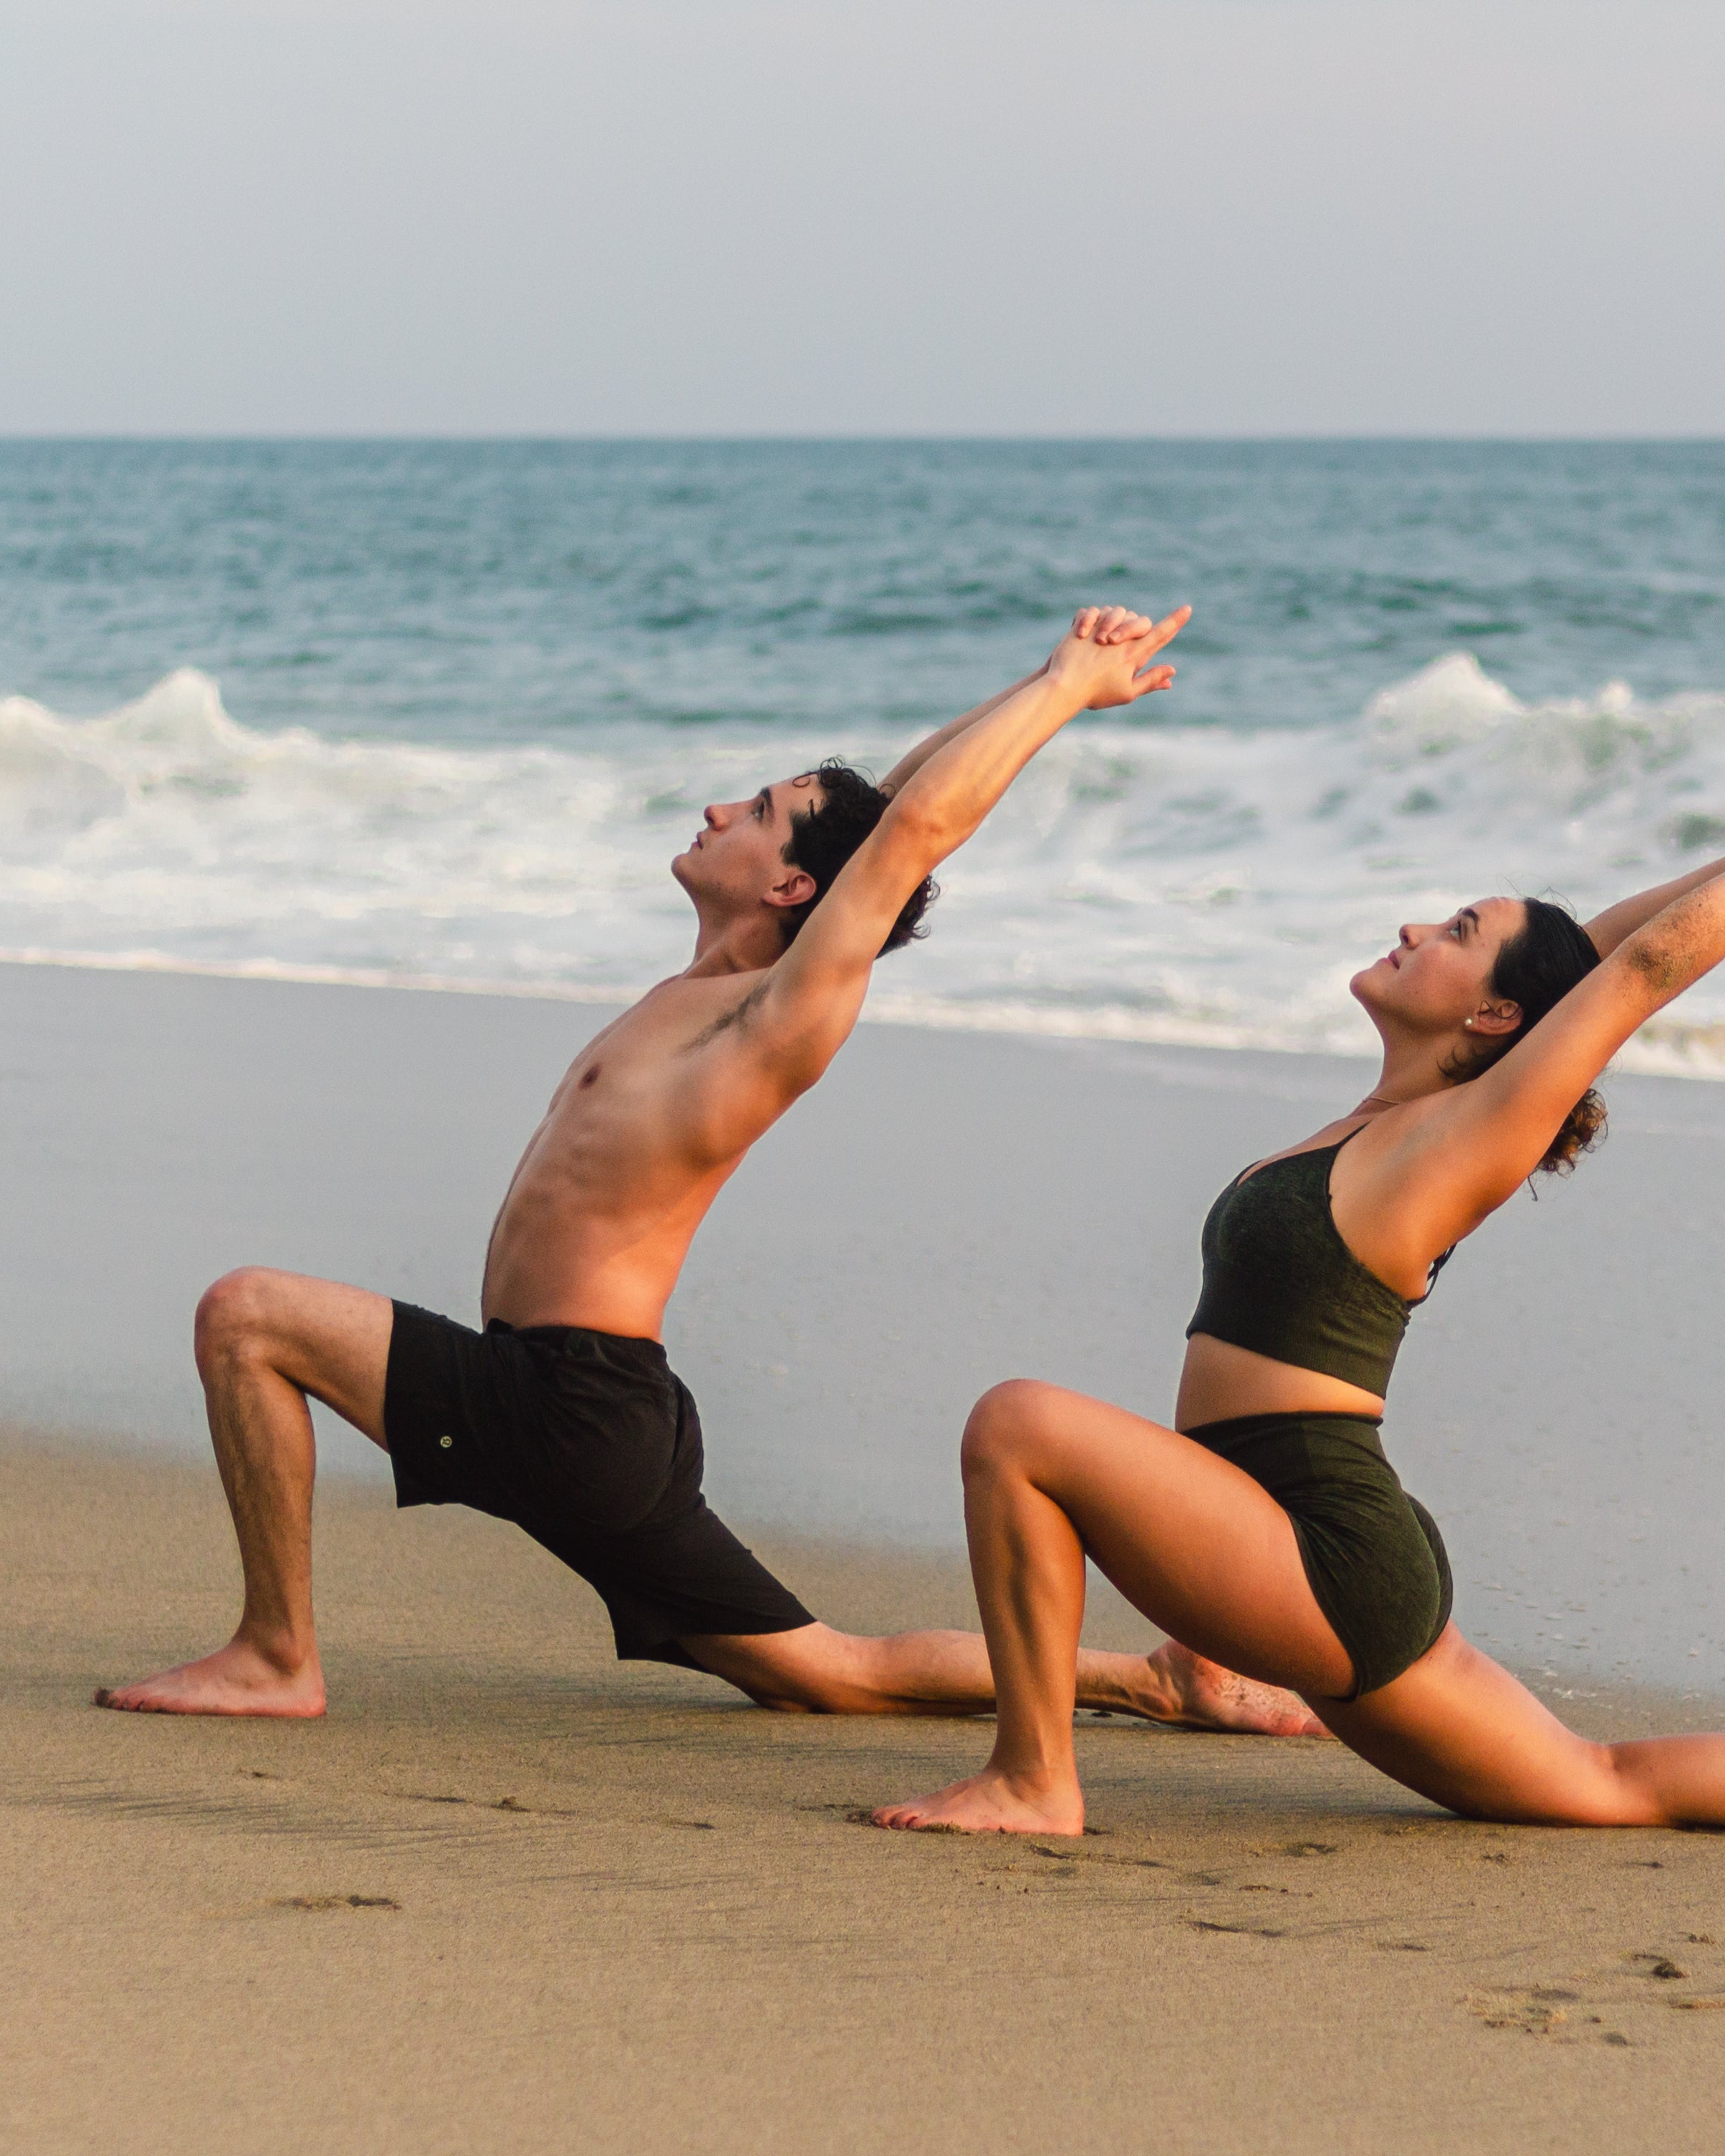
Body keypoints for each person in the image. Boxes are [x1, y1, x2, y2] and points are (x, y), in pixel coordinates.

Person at [101, 605, 1315, 1737]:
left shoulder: (773, 1021)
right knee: (826, 1671)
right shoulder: (710, 994)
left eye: (755, 808)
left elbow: (908, 834)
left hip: (562, 1402)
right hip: (600, 1413)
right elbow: (883, 812)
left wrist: (1060, 695)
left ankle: (276, 1654)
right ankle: (1152, 1678)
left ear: (792, 886)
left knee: (246, 1317)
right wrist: (1042, 678)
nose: (716, 805)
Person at [871, 795, 1725, 1837]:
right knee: (1597, 1783)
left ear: (1495, 1015)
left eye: (1457, 934)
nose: (1419, 928)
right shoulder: (1382, 1121)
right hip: (1291, 1532)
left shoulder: (1453, 1145)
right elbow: (1605, 951)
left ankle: (1035, 1778)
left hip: (1322, 1548)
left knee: (1017, 1425)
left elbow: (1630, 979)